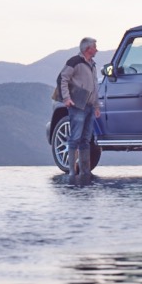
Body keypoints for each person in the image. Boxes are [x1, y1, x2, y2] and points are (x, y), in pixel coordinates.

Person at [57, 37, 101, 184]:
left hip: (89, 107)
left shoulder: (93, 65)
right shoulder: (74, 61)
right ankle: (71, 171)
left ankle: (84, 172)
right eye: (95, 47)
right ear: (88, 49)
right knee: (74, 138)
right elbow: (63, 78)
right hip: (77, 106)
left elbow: (94, 87)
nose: (97, 49)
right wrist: (66, 99)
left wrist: (96, 106)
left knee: (86, 139)